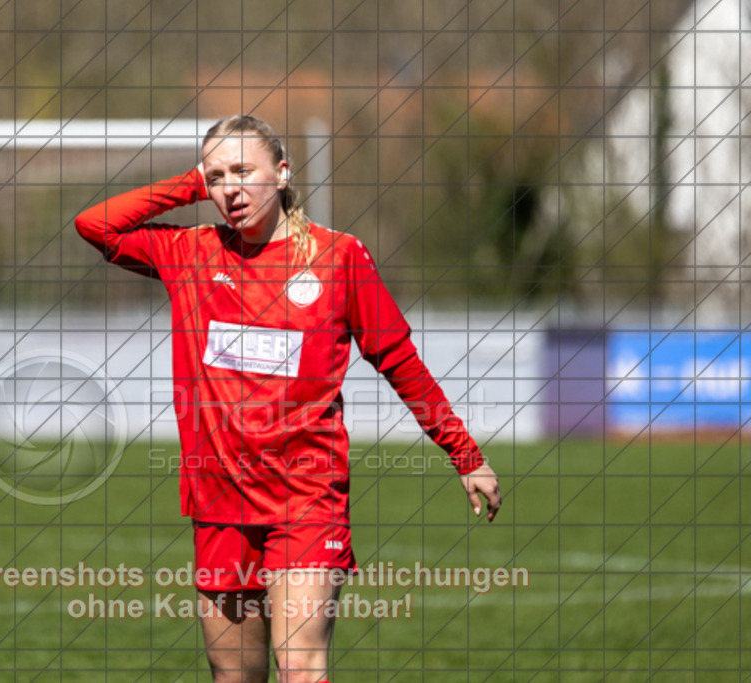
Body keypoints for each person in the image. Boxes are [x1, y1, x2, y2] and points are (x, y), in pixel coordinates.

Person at [75, 114, 501, 683]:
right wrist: (189, 183)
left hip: (307, 496)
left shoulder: (338, 257)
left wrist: (465, 454)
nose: (231, 188)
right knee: (236, 676)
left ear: (281, 173)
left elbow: (401, 363)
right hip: (220, 501)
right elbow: (94, 225)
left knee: (300, 668)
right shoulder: (190, 255)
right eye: (217, 176)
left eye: (243, 171)